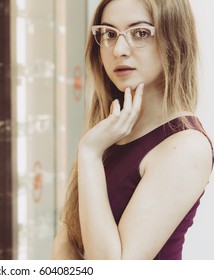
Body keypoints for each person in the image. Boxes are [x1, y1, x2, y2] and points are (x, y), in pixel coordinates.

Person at [52, 0, 213, 260]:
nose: (119, 50)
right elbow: (66, 239)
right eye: (109, 34)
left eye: (140, 33)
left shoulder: (185, 146)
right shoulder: (113, 129)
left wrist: (89, 153)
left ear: (175, 40)